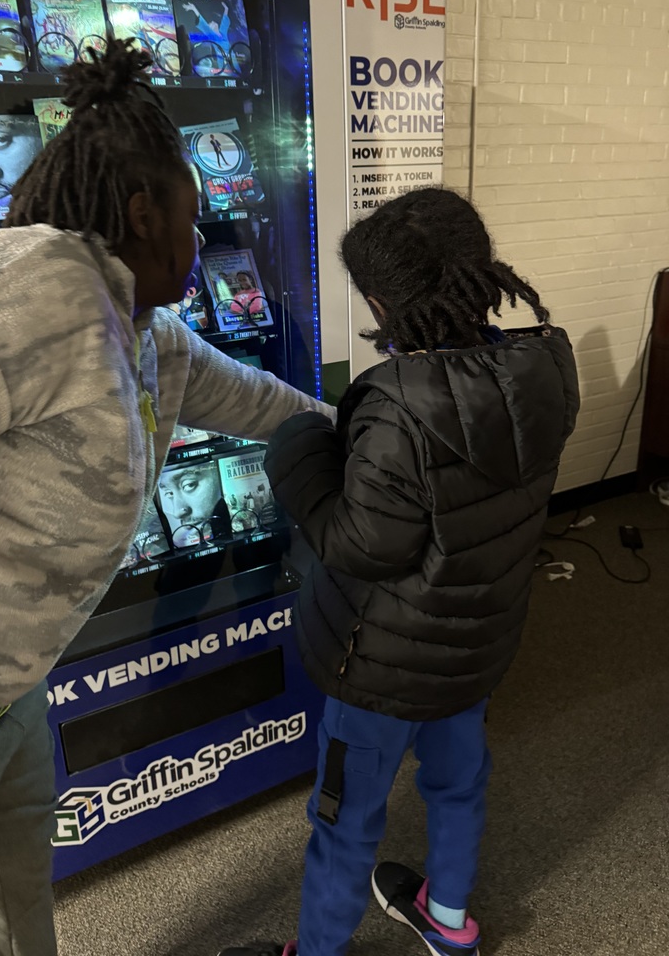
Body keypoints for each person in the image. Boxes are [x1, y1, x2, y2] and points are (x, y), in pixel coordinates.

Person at [0, 37, 332, 956]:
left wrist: (374, 424)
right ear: (142, 211)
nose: (206, 232)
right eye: (194, 211)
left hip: (4, 694)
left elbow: (263, 402)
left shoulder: (139, 323)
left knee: (10, 913)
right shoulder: (10, 298)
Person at [218, 187, 579, 956]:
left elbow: (361, 545)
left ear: (384, 303)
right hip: (477, 648)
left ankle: (317, 951)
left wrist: (300, 449)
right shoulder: (548, 361)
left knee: (346, 819)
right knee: (459, 784)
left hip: (382, 665)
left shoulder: (395, 403)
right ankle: (448, 922)